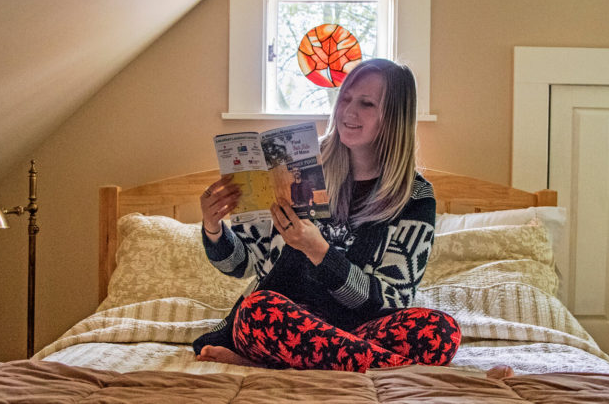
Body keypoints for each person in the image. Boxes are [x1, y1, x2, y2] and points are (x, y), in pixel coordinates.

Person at [194, 58, 460, 372]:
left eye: (366, 103)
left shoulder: (414, 196)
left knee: (441, 332)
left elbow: (392, 301)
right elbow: (243, 265)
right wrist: (213, 228)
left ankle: (273, 362)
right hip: (282, 322)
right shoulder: (299, 167)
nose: (348, 111)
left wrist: (318, 250)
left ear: (394, 117)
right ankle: (400, 366)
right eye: (345, 98)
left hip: (359, 329)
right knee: (257, 311)